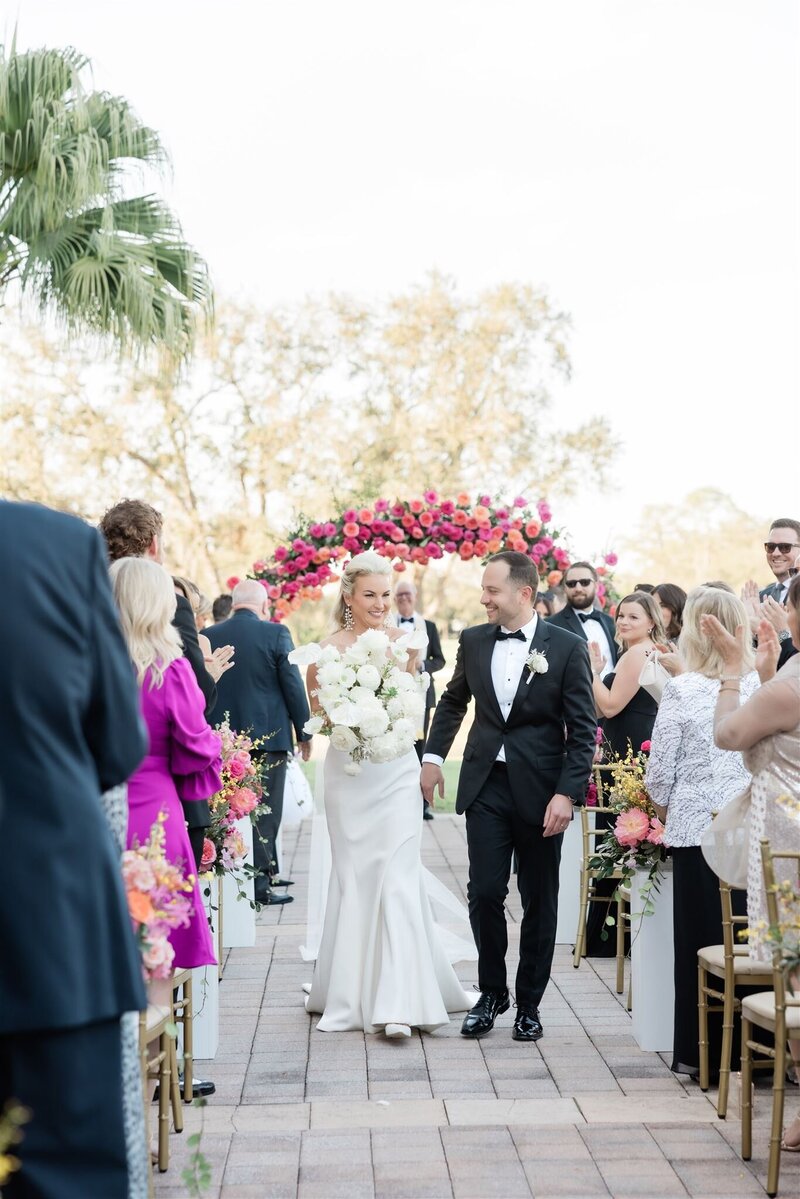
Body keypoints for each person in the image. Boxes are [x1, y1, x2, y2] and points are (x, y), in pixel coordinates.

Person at [0, 501, 148, 1199]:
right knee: (64, 1175)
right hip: (45, 912)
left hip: (47, 917)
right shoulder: (55, 544)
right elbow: (115, 742)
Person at [422, 551, 596, 1041]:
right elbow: (453, 701)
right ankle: (492, 992)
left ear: (524, 594)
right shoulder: (474, 640)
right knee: (484, 892)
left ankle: (529, 1004)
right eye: (484, 589)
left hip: (542, 793)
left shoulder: (567, 648)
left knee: (539, 898)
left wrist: (567, 795)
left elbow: (583, 730)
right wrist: (432, 758)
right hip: (486, 786)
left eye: (492, 590)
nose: (484, 599)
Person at [301, 552, 475, 1037]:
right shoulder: (323, 653)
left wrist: (387, 716)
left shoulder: (407, 645)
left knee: (398, 878)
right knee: (356, 879)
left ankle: (399, 1003)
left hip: (396, 772)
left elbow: (415, 713)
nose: (380, 604)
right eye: (370, 595)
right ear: (348, 597)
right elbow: (318, 719)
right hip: (350, 775)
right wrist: (350, 713)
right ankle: (350, 991)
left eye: (385, 594)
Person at [703, 573, 800, 1150]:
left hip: (789, 840)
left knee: (794, 974)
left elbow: (729, 734)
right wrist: (768, 671)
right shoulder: (786, 681)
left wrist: (734, 669)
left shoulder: (790, 685)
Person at [645, 587, 759, 1078]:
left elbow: (658, 774)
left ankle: (702, 1055)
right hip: (751, 831)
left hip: (695, 830)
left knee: (699, 944)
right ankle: (759, 1051)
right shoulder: (763, 684)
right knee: (752, 942)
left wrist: (667, 811)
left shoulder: (683, 688)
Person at [99, 500, 234, 874]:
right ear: (155, 543)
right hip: (162, 798)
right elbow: (195, 715)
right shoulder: (170, 659)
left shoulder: (84, 607)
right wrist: (206, 679)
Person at [111, 558, 220, 971]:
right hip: (156, 808)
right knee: (158, 942)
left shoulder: (83, 667)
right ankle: (157, 1013)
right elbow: (195, 745)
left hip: (95, 806)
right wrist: (214, 742)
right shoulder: (170, 670)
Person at [206, 580, 311, 905]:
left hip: (223, 740)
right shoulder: (276, 633)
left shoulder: (209, 635)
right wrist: (304, 732)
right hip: (269, 737)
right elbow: (292, 684)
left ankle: (245, 875)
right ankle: (260, 886)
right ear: (264, 605)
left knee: (227, 811)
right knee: (265, 813)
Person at [585, 591, 666, 955]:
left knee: (616, 835)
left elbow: (610, 706)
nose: (624, 622)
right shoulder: (645, 651)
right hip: (631, 750)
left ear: (651, 621)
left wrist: (591, 672)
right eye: (621, 616)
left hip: (626, 756)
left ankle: (605, 938)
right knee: (623, 837)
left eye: (634, 616)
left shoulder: (636, 654)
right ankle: (615, 934)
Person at [393, 578, 446, 818]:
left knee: (419, 747)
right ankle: (397, 802)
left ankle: (422, 804)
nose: (404, 598)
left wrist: (422, 665)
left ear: (415, 597)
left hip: (421, 696)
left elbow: (440, 659)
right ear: (395, 599)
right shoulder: (387, 625)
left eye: (408, 594)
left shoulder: (429, 627)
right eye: (399, 595)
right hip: (393, 696)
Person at [547, 561, 617, 681]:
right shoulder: (551, 625)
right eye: (571, 584)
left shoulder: (610, 622)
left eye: (585, 582)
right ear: (565, 588)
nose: (578, 588)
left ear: (596, 586)